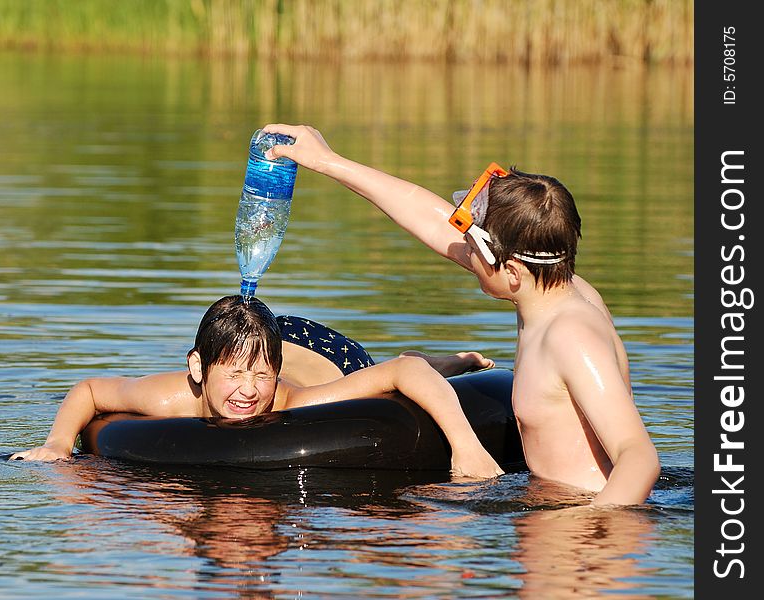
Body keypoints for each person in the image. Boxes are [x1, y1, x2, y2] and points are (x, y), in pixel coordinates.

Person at [260, 123, 660, 506]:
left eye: (471, 249)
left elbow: (638, 457)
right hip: (550, 522)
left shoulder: (571, 334)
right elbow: (430, 218)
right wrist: (328, 161)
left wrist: (593, 538)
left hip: (580, 536)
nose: (462, 252)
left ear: (512, 271)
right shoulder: (551, 289)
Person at [10, 295, 503, 478]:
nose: (248, 391)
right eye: (235, 374)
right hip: (260, 334)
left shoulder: (295, 399)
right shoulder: (169, 396)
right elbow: (92, 391)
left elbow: (404, 376)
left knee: (385, 367)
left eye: (260, 376)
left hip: (323, 353)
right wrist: (58, 445)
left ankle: (455, 360)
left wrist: (467, 449)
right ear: (198, 368)